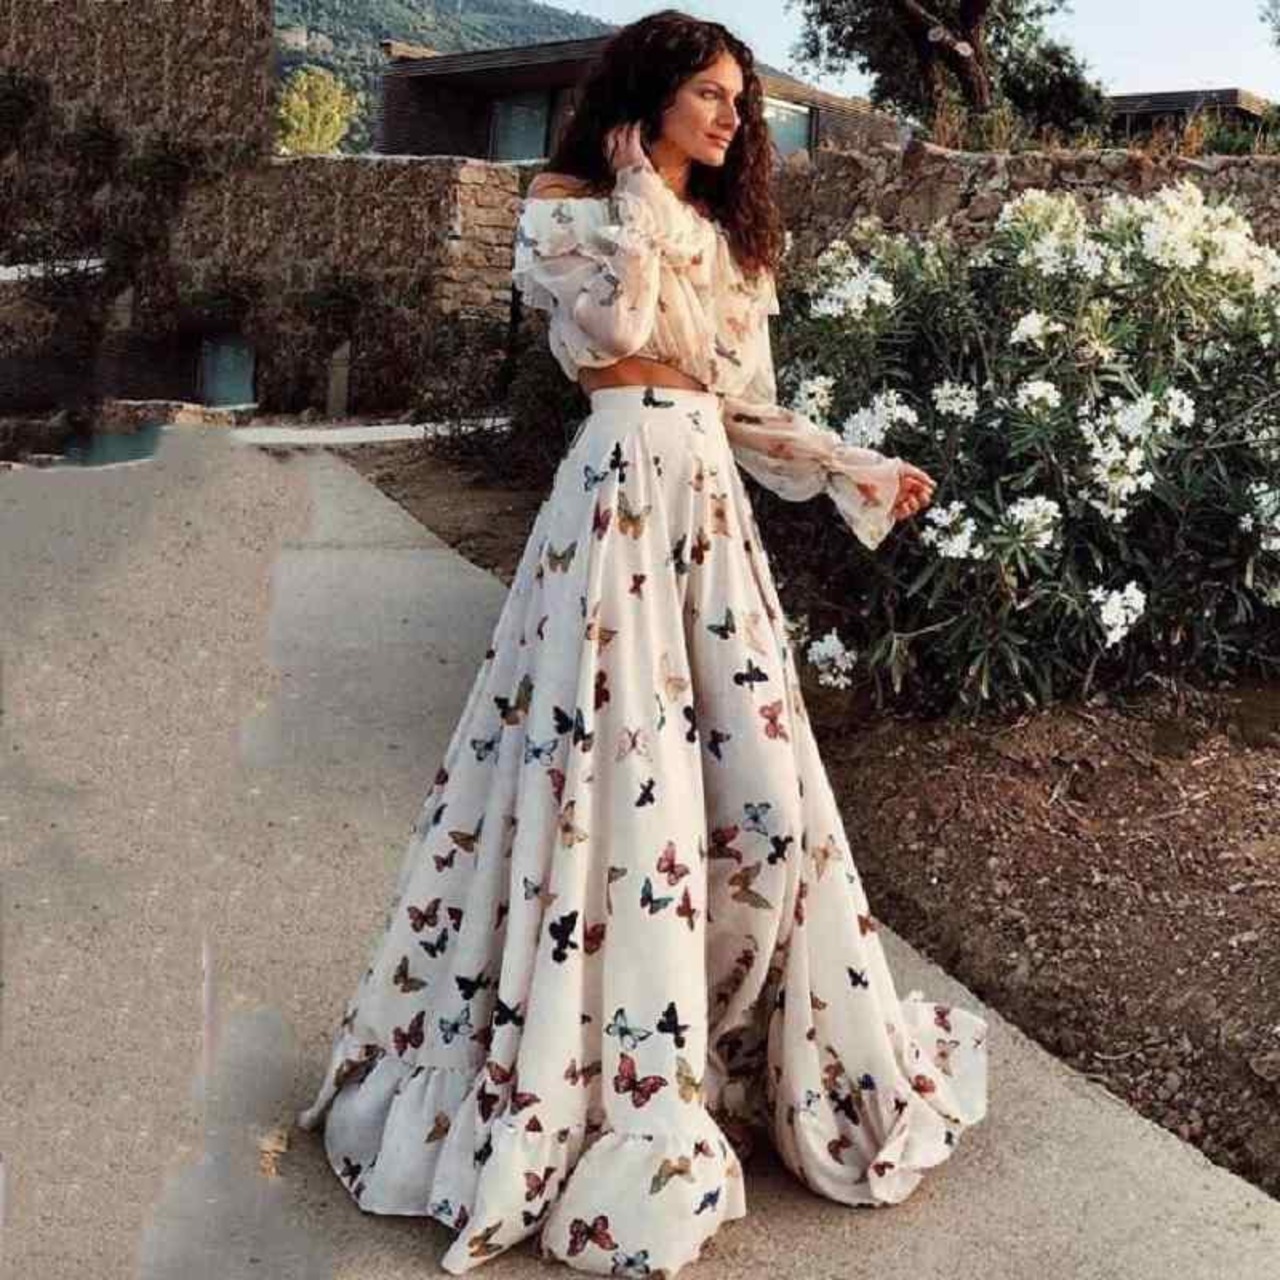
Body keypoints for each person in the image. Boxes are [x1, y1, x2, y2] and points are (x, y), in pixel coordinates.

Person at [297, 10, 988, 1277]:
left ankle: (722, 1047)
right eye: (711, 93)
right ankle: (603, 1075)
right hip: (611, 510)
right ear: (653, 92)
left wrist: (853, 466)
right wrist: (631, 199)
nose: (733, 117)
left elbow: (740, 406)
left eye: (741, 100)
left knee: (762, 804)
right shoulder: (565, 205)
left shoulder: (729, 239)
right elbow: (614, 340)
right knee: (601, 784)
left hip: (706, 519)